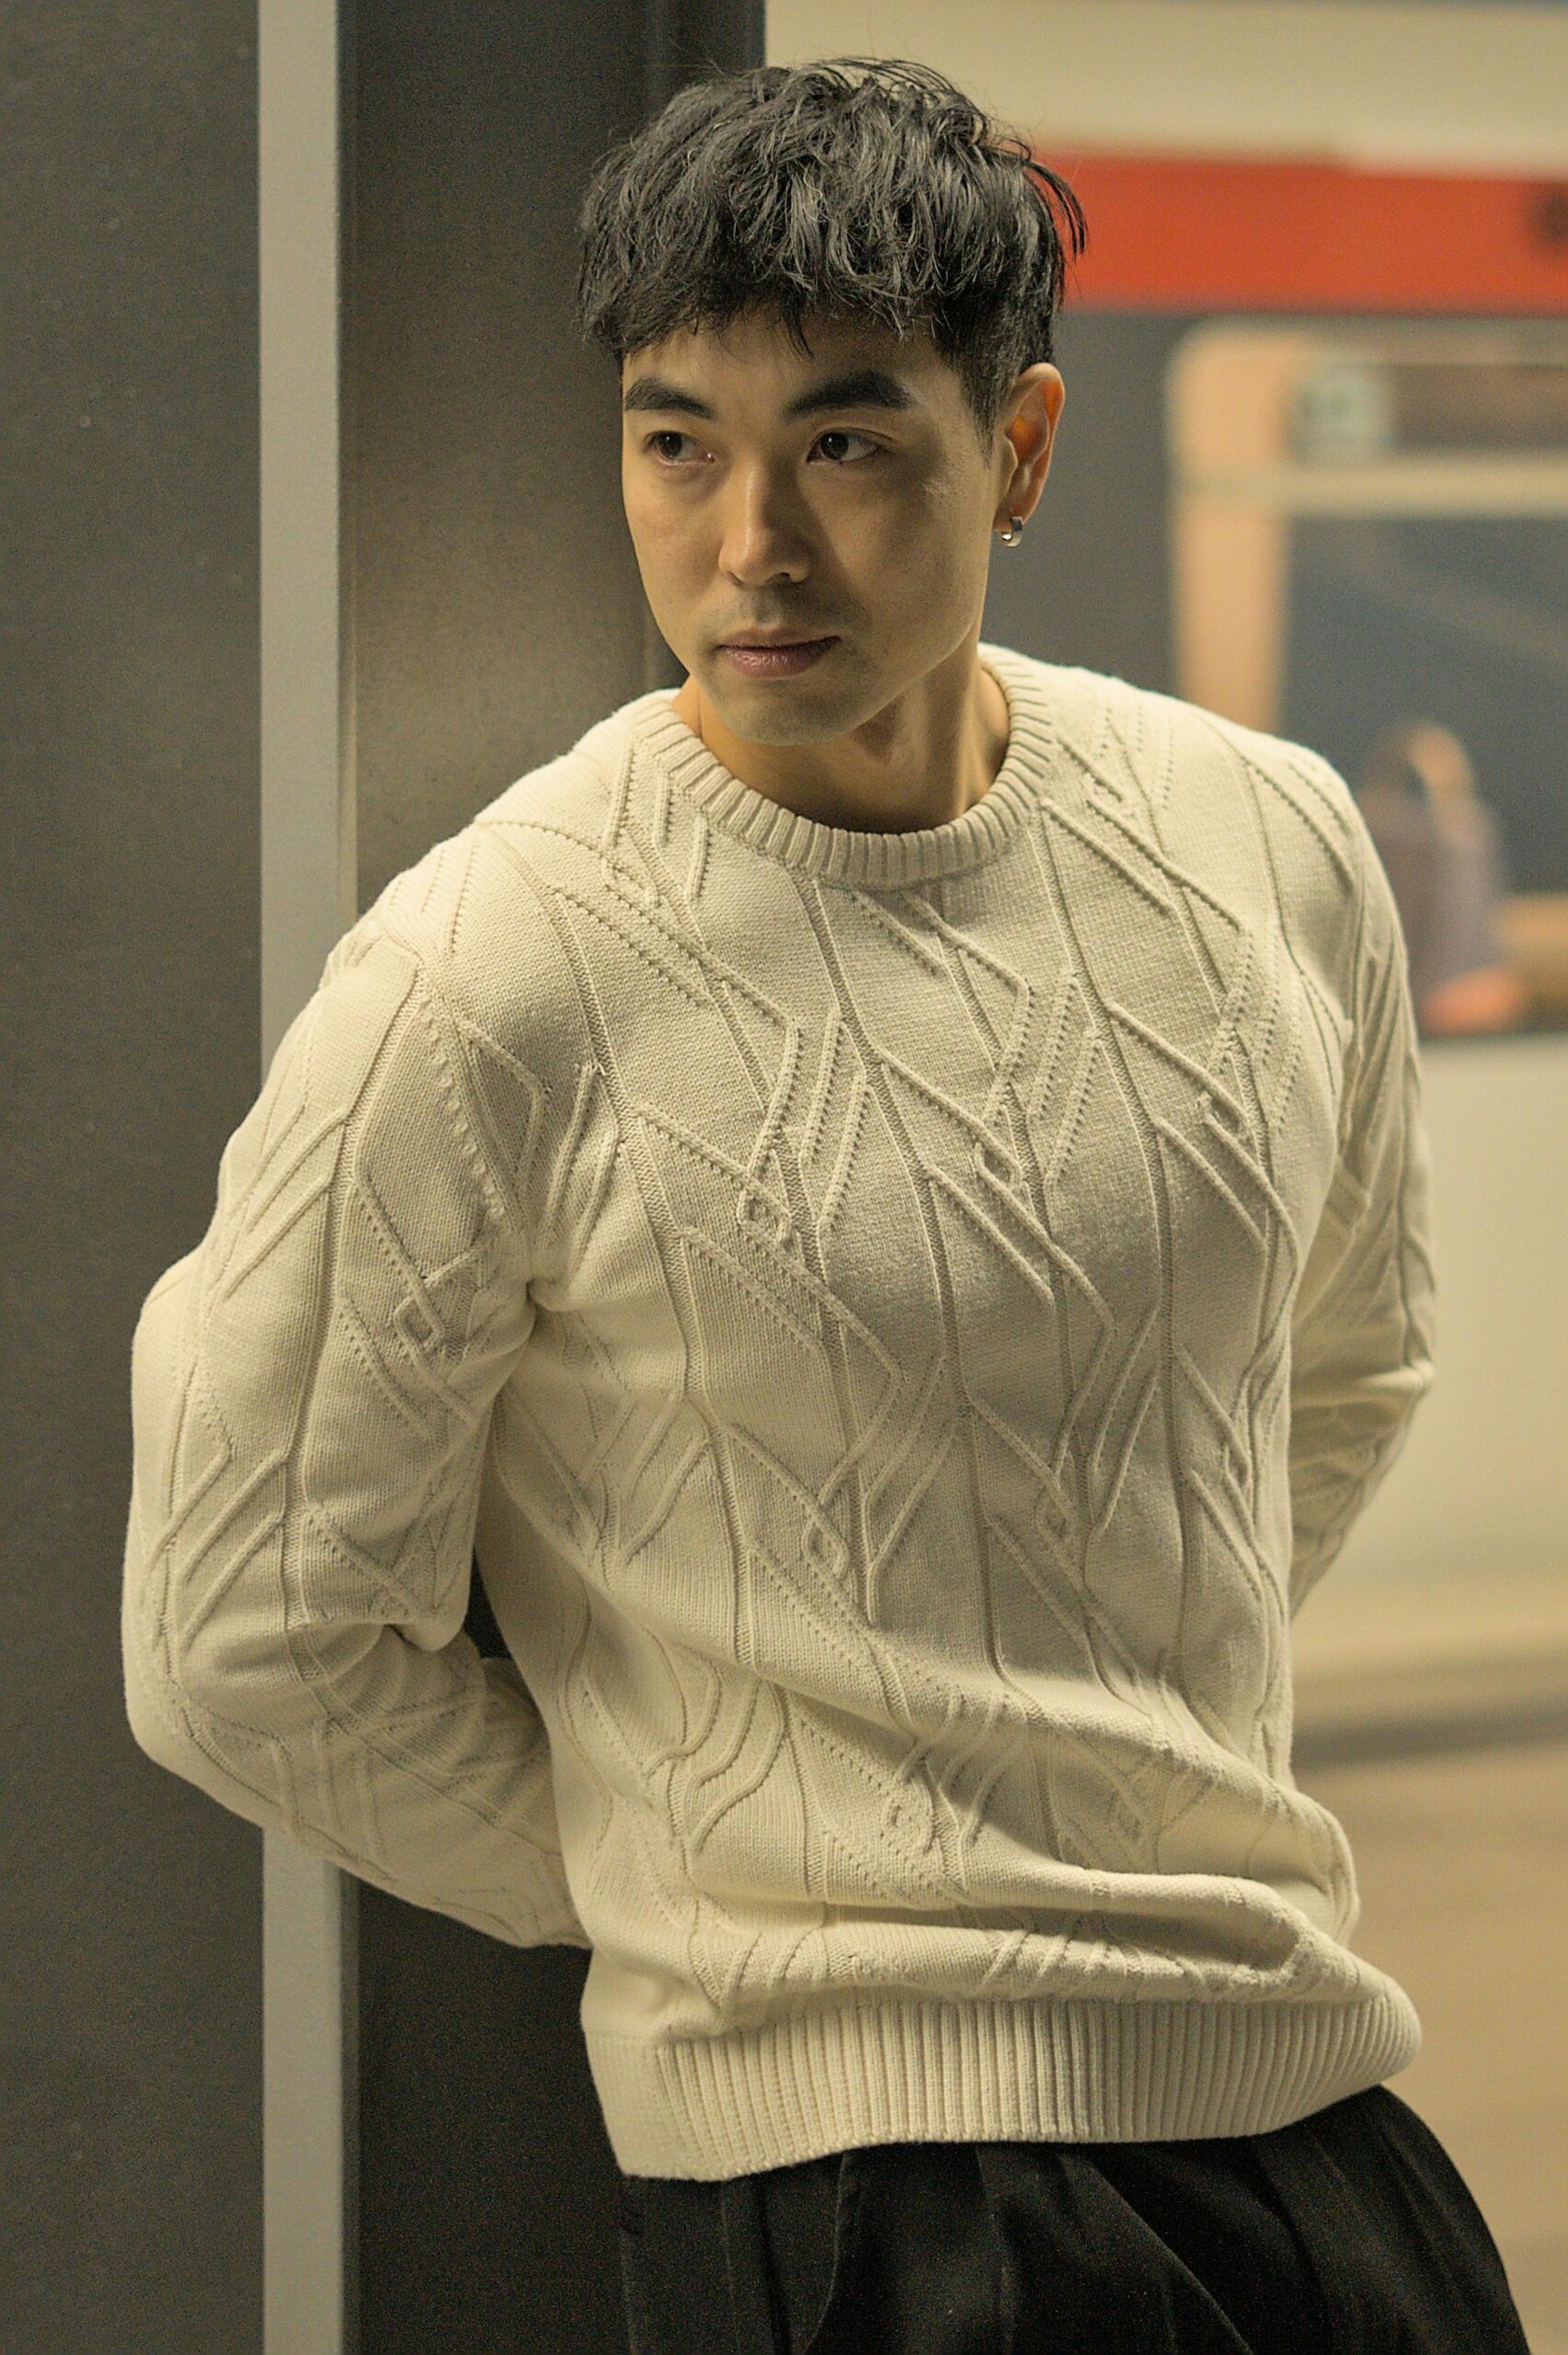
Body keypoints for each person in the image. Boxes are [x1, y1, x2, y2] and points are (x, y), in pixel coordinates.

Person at [121, 55, 1533, 2355]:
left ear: (1023, 449)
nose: (750, 543)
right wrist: (708, 1870)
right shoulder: (493, 964)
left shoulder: (1263, 838)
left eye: (847, 444)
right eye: (677, 444)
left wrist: (1086, 1772)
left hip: (1308, 2106)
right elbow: (239, 1631)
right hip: (857, 2193)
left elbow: (1347, 1361)